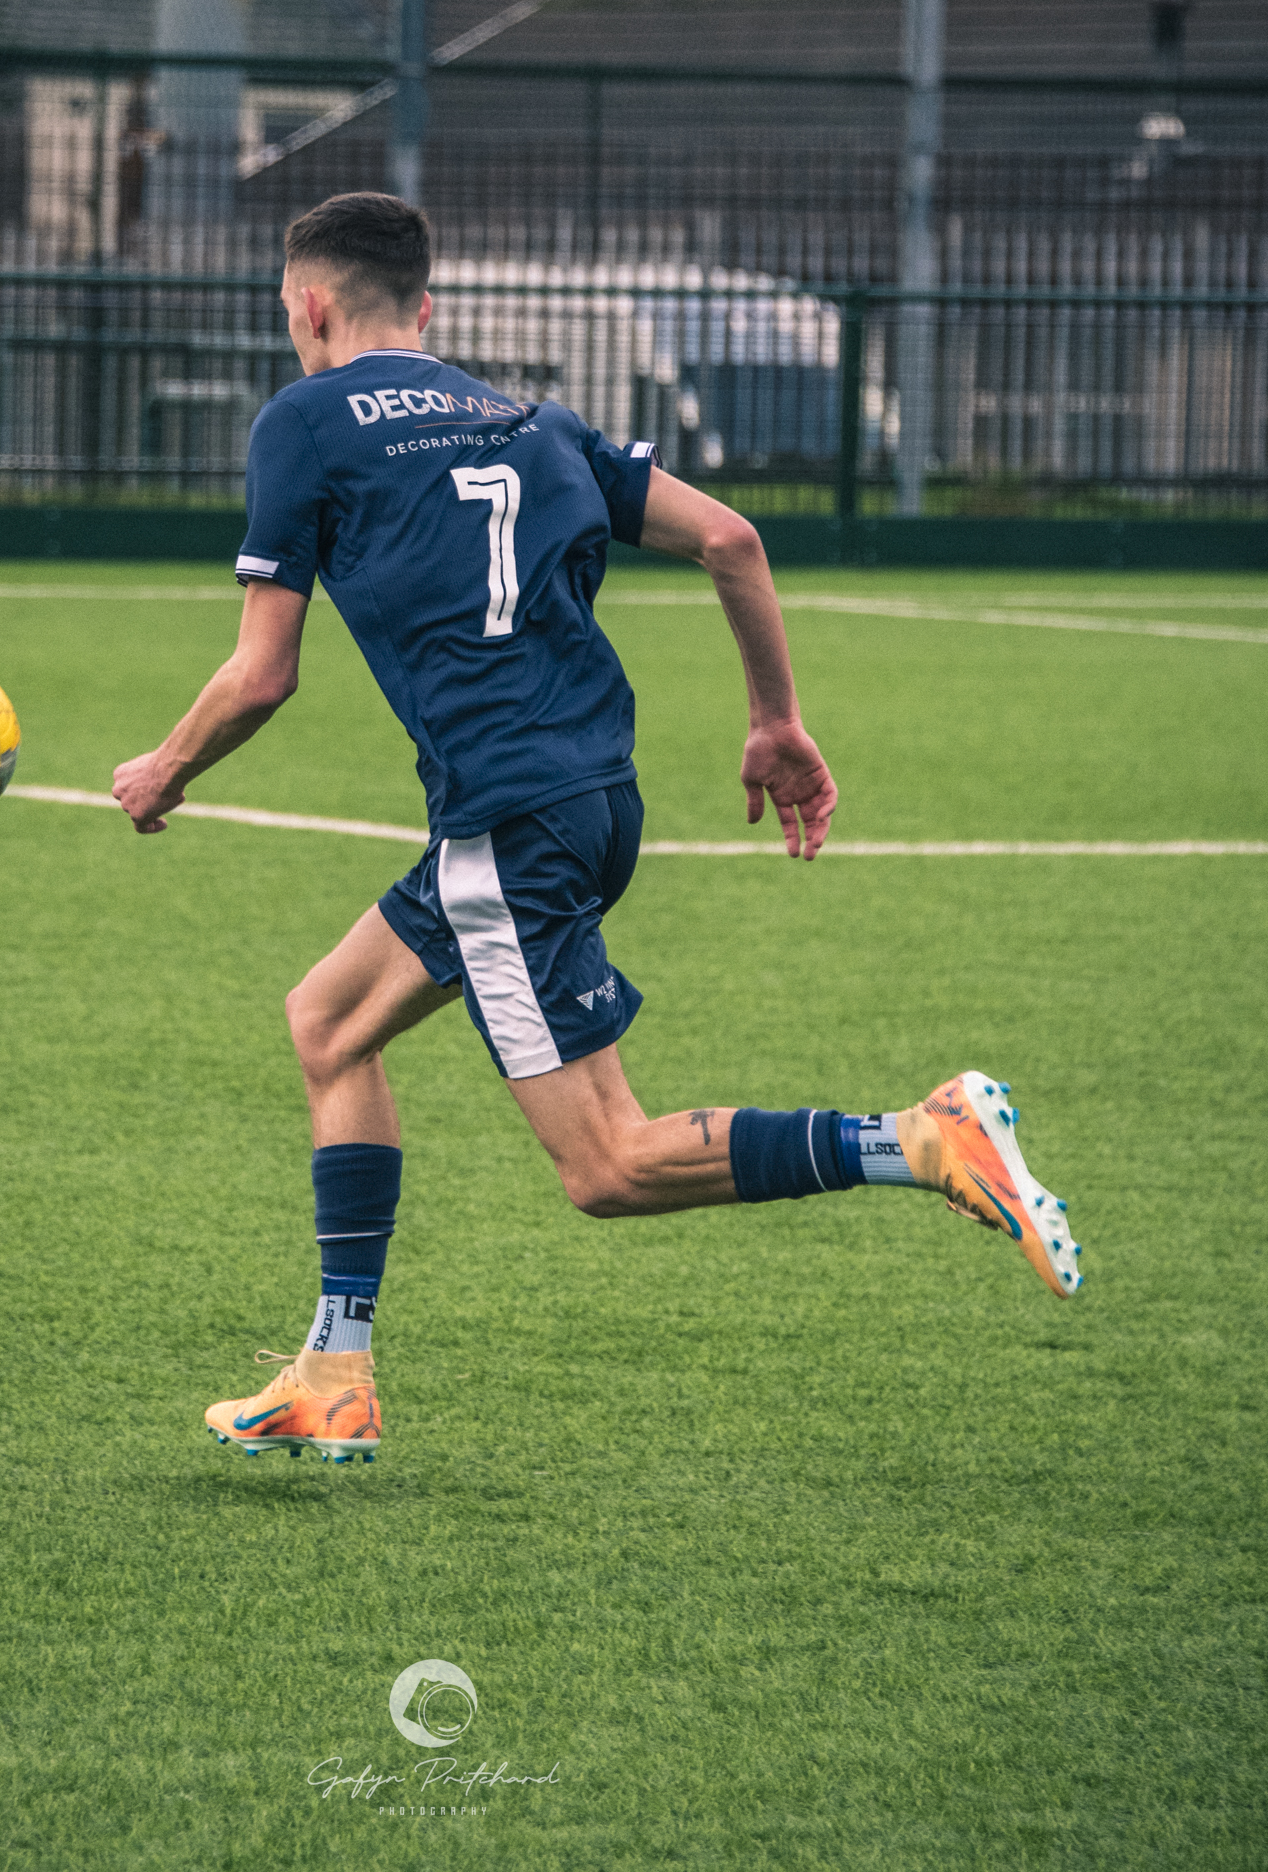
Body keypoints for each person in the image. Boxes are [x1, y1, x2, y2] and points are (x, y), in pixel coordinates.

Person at [112, 194, 1080, 1465]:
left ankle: (915, 1137)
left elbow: (262, 673)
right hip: (589, 797)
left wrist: (165, 770)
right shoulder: (532, 418)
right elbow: (731, 538)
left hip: (511, 820)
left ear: (307, 305)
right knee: (328, 1023)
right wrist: (775, 723)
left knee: (608, 1166)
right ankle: (332, 1371)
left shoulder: (304, 419)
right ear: (429, 306)